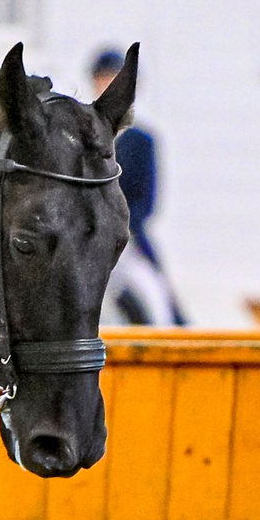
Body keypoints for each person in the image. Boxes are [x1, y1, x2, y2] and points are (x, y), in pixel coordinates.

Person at [89, 47, 185, 328]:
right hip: (84, 238)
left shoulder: (142, 141)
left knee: (155, 298)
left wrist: (117, 228)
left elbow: (146, 203)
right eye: (104, 80)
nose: (109, 87)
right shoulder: (82, 139)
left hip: (126, 240)